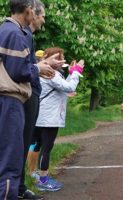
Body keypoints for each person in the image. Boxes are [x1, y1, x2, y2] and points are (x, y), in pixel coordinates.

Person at [0, 0, 55, 199]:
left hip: (9, 101)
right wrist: (38, 68)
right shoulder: (15, 33)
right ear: (29, 10)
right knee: (11, 160)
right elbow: (19, 70)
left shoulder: (6, 30)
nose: (41, 18)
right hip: (10, 100)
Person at [34, 47, 84, 192]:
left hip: (44, 116)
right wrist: (76, 71)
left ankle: (40, 176)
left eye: (62, 58)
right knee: (46, 148)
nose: (61, 61)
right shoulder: (50, 72)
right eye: (57, 58)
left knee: (42, 147)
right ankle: (43, 180)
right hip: (49, 118)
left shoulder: (48, 71)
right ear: (47, 57)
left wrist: (71, 73)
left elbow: (63, 87)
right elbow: (69, 87)